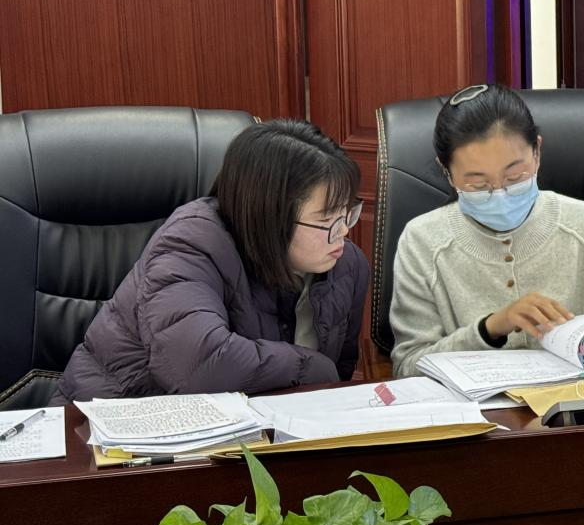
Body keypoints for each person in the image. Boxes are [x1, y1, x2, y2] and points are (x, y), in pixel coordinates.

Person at [58, 120, 369, 401]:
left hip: (243, 432)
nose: (343, 230)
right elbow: (199, 366)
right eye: (327, 218)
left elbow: (334, 384)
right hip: (108, 425)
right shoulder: (190, 245)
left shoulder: (346, 266)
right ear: (269, 217)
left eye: (347, 212)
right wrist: (309, 366)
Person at [390, 83, 584, 377]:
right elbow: (407, 367)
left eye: (515, 176)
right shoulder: (422, 241)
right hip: (478, 406)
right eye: (478, 184)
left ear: (537, 152)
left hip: (581, 398)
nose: (499, 192)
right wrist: (490, 328)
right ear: (447, 171)